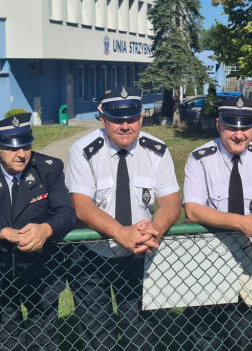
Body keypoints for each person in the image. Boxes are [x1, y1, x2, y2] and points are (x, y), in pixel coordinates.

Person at [65, 86, 181, 351]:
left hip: (140, 254)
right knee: (97, 336)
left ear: (141, 118)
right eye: (117, 119)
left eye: (132, 118)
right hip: (91, 256)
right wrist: (121, 233)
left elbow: (171, 201)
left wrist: (156, 230)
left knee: (141, 332)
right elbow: (81, 206)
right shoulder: (83, 150)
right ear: (103, 118)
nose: (125, 126)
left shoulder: (157, 150)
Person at [183, 96, 252, 350]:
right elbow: (193, 211)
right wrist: (241, 222)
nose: (240, 135)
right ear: (219, 125)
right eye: (232, 127)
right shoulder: (200, 158)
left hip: (244, 258)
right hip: (205, 260)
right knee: (203, 337)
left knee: (241, 336)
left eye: (246, 127)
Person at [0, 113, 76, 350]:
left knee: (44, 336)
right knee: (4, 337)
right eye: (12, 148)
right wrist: (3, 232)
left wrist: (46, 229)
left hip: (42, 267)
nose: (22, 154)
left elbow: (66, 212)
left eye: (26, 146)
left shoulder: (49, 169)